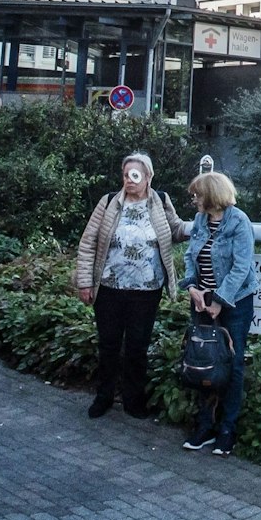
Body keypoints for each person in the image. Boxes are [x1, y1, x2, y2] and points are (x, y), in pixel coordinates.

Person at [74, 152, 187, 419]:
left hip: (146, 291)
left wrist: (204, 222)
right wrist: (84, 282)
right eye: (126, 175)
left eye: (135, 175)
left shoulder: (160, 201)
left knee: (137, 346)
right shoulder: (109, 202)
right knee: (109, 345)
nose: (129, 180)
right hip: (109, 288)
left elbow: (176, 230)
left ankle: (133, 400)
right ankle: (104, 397)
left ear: (148, 177)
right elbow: (88, 241)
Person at [180, 171, 256, 456]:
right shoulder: (200, 221)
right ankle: (205, 426)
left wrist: (220, 301)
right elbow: (190, 256)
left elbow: (241, 267)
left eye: (197, 195)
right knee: (203, 361)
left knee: (232, 365)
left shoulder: (239, 221)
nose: (194, 200)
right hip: (202, 301)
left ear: (212, 195)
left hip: (235, 303)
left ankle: (227, 429)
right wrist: (192, 288)